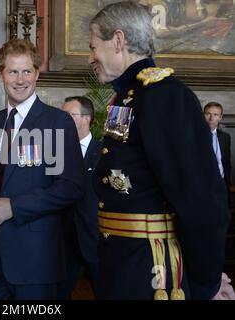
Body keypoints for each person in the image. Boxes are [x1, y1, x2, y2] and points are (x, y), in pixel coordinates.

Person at [88, 2, 231, 300]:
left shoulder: (164, 95)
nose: (90, 58)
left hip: (153, 268)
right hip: (122, 260)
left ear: (118, 40)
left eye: (93, 47)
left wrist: (206, 282)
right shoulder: (127, 97)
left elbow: (201, 199)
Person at [0, 39, 84, 300]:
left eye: (27, 71)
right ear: (0, 74)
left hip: (36, 257)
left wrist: (14, 206)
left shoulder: (57, 122)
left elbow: (70, 186)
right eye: (13, 72)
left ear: (37, 73)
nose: (20, 80)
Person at [58, 96, 102, 299]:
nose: (63, 119)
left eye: (70, 115)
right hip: (62, 236)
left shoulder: (104, 153)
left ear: (87, 119)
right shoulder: (56, 153)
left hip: (95, 237)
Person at [204, 101, 231, 192]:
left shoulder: (225, 137)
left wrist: (227, 183)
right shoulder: (194, 136)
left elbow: (226, 162)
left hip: (222, 183)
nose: (211, 118)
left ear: (220, 117)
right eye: (208, 114)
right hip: (203, 183)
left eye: (215, 115)